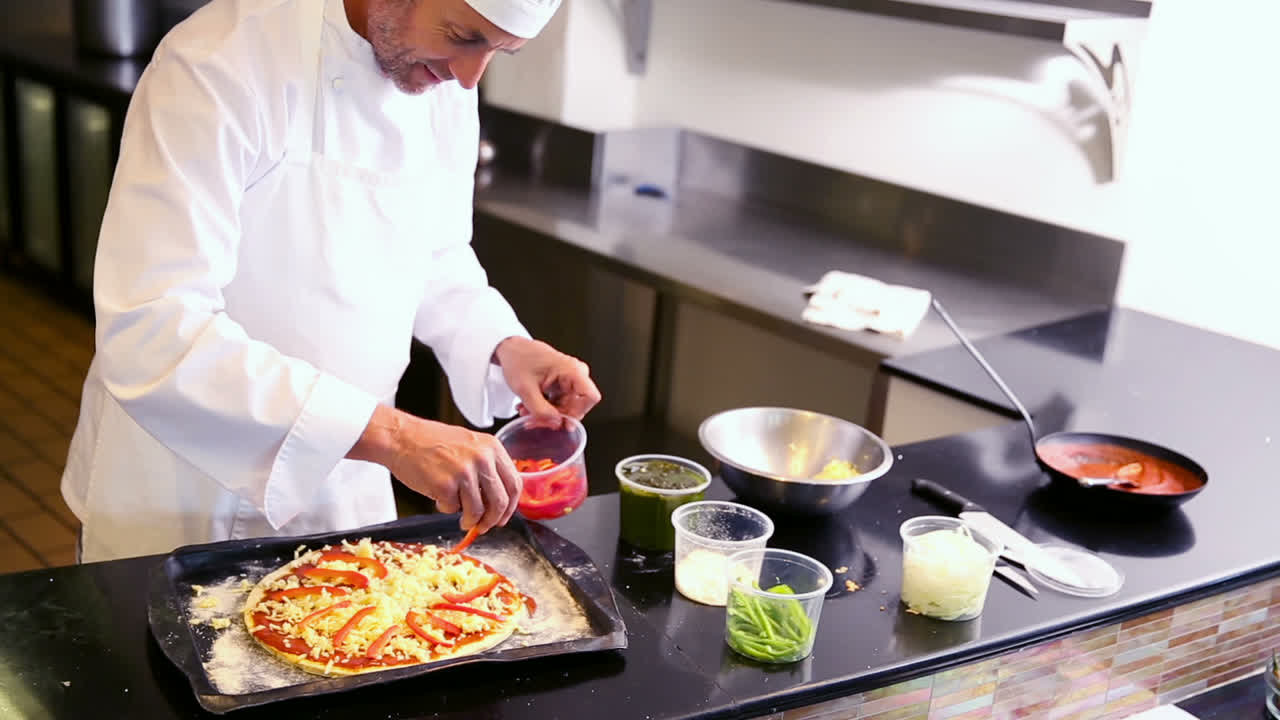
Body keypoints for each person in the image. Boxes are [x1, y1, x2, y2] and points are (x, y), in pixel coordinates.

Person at [60, 0, 601, 563]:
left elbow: (433, 250)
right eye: (464, 36)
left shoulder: (445, 87)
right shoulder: (216, 63)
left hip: (346, 485)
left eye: (498, 51)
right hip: (181, 491)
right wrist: (398, 438)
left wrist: (505, 346)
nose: (470, 76)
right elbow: (153, 325)